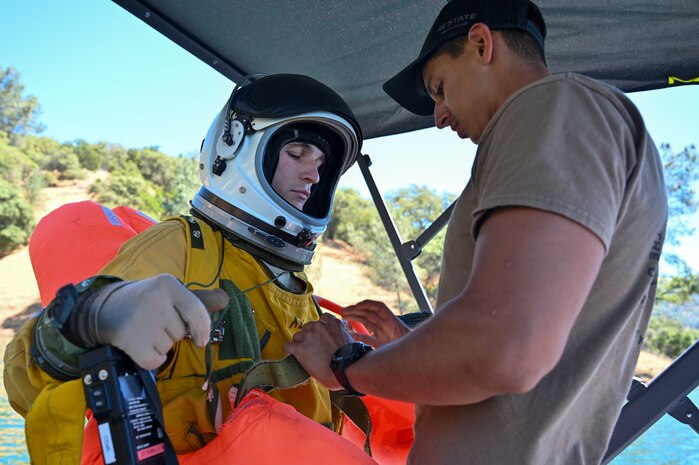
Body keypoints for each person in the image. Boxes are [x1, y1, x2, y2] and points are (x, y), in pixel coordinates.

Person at [285, 1, 668, 464]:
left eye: (440, 88)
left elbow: (504, 348)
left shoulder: (553, 108)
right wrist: (409, 349)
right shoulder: (589, 128)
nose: (440, 116)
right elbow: (526, 359)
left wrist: (345, 368)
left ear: (482, 44)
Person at [4, 73, 365, 463]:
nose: (312, 175)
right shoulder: (183, 246)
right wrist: (90, 319)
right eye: (296, 154)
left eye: (320, 163)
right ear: (236, 151)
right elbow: (23, 382)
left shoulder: (296, 287)